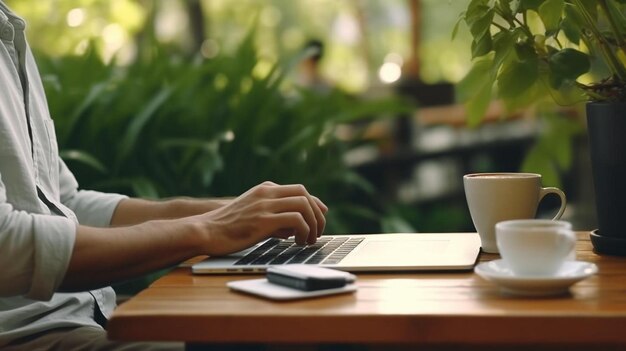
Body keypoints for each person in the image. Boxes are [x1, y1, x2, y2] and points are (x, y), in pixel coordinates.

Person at [0, 2, 327, 350]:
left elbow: (65, 204)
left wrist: (225, 212)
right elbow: (8, 247)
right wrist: (209, 230)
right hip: (30, 333)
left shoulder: (10, 33)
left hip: (83, 316)